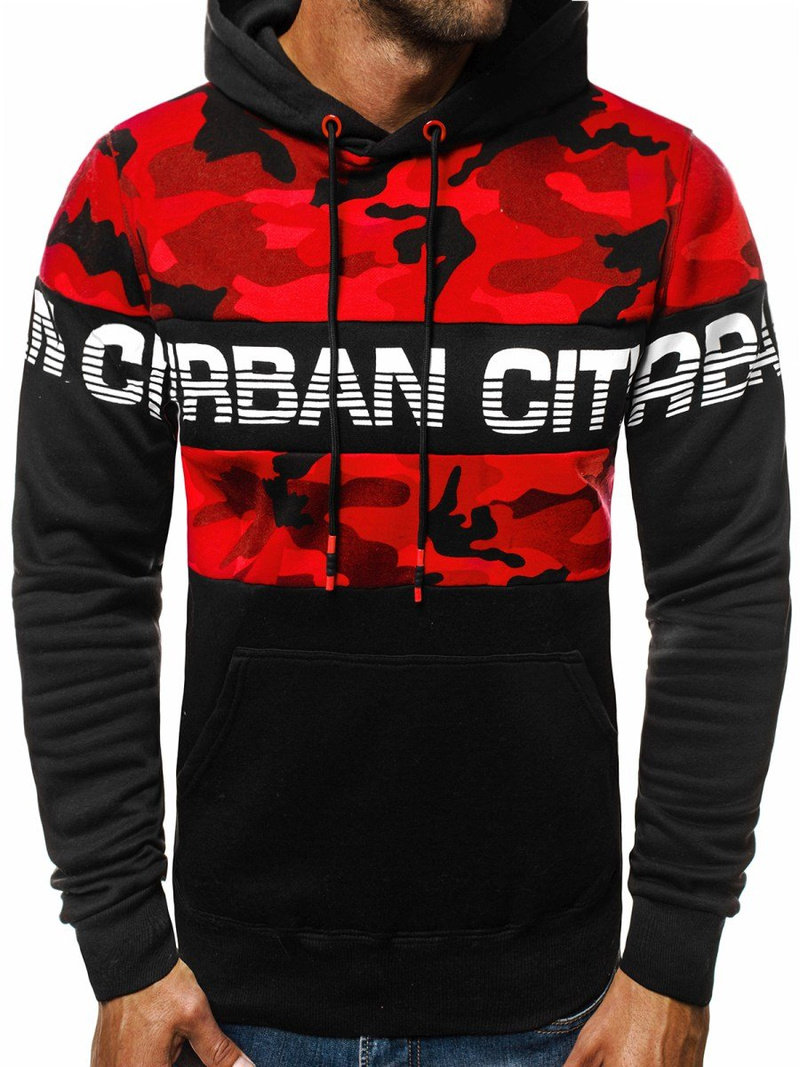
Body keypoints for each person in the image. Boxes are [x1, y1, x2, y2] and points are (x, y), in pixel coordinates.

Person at [11, 0, 792, 1065]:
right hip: (231, 1003)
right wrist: (123, 949)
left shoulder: (660, 184)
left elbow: (722, 582)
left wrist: (674, 953)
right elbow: (79, 571)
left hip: (558, 1012)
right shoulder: (141, 183)